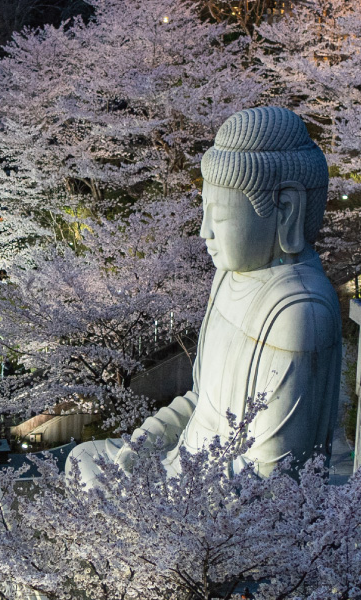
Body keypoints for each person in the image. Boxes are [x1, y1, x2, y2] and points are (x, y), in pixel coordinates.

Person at [69, 106, 342, 484]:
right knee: (82, 458)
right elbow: (201, 400)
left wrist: (171, 491)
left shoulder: (298, 313)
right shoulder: (227, 277)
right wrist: (146, 439)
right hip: (182, 467)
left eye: (221, 216)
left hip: (217, 503)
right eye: (204, 213)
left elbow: (271, 482)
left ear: (286, 209)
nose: (204, 232)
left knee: (93, 481)